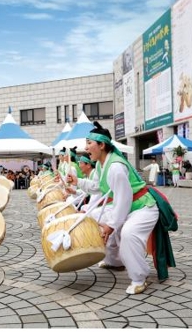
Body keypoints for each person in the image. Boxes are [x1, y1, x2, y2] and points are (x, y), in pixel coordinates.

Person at [66, 122, 160, 295]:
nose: (86, 148)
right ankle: (114, 261)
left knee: (128, 234)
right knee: (90, 216)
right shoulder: (102, 164)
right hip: (126, 207)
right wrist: (78, 182)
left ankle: (139, 278)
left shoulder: (115, 167)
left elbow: (123, 200)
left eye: (89, 143)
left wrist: (111, 225)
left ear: (101, 145)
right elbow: (98, 186)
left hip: (142, 208)